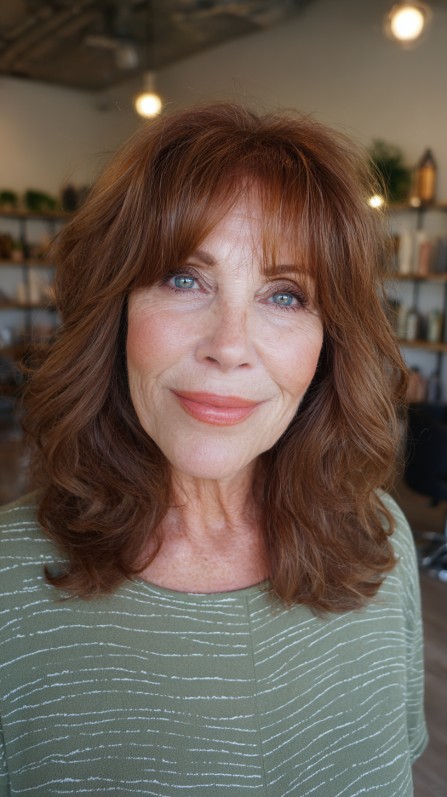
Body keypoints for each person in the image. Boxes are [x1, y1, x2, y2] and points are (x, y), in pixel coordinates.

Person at [0, 103, 427, 796]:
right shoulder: (6, 586)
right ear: (116, 311)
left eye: (284, 296)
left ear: (329, 344)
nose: (229, 346)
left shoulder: (380, 540)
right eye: (183, 278)